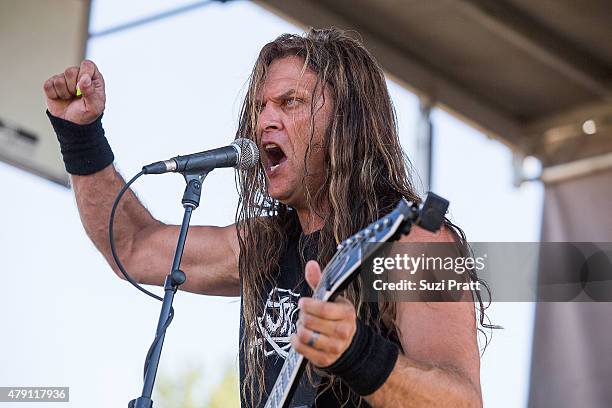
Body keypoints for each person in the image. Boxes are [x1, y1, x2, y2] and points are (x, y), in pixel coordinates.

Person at [44, 28, 483, 407]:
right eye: (260, 107)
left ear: (346, 121)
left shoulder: (415, 243)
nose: (265, 121)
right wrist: (80, 138)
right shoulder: (261, 245)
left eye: (291, 102)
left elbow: (459, 401)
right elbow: (134, 247)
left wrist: (358, 354)